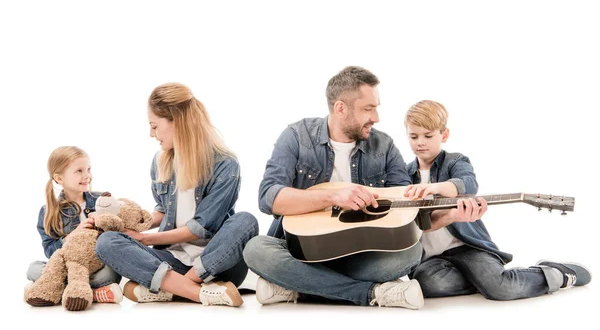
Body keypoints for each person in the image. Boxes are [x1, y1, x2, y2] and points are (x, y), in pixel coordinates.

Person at [243, 66, 425, 309]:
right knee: (256, 249)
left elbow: (404, 205)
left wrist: (448, 213)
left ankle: (298, 285)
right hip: (302, 253)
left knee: (411, 252)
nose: (376, 117)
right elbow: (268, 197)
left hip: (362, 254)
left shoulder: (384, 145)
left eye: (376, 108)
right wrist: (333, 196)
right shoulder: (297, 136)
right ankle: (370, 292)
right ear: (341, 108)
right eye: (368, 109)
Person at [403, 100, 592, 300]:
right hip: (432, 259)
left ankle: (555, 274)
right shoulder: (404, 174)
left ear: (444, 135)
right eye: (413, 136)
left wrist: (434, 187)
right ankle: (486, 280)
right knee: (426, 285)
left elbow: (467, 184)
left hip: (467, 247)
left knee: (503, 289)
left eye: (428, 135)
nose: (420, 142)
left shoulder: (455, 161)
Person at [96, 82, 259, 307]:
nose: (151, 134)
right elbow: (163, 211)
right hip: (173, 260)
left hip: (219, 263)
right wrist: (125, 225)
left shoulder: (225, 165)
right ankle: (198, 292)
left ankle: (177, 286)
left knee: (246, 221)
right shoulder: (160, 161)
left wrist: (145, 238)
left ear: (177, 121)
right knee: (107, 242)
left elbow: (201, 228)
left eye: (154, 126)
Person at [27, 146, 123, 304]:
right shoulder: (49, 211)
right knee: (33, 269)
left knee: (111, 273)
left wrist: (104, 224)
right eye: (79, 171)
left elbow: (119, 234)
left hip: (95, 266)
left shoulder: (103, 201)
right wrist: (72, 236)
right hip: (68, 266)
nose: (87, 176)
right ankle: (94, 293)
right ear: (59, 178)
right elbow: (50, 252)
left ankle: (50, 289)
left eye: (88, 169)